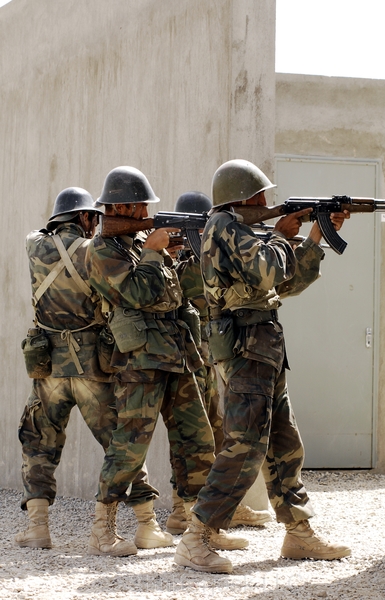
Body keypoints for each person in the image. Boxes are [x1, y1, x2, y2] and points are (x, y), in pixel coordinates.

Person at [174, 159, 352, 573]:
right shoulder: (224, 227)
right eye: (261, 197)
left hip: (264, 347)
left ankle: (298, 532)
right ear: (244, 197)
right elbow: (267, 269)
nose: (266, 203)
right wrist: (280, 234)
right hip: (246, 348)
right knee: (245, 446)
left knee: (284, 442)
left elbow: (286, 283)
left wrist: (313, 237)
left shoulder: (241, 232)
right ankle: (196, 536)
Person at [84, 166, 246, 557]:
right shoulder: (102, 250)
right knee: (130, 445)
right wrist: (153, 252)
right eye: (140, 205)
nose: (145, 212)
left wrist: (168, 254)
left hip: (176, 354)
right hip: (139, 360)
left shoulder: (138, 243)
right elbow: (137, 293)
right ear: (121, 206)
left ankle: (199, 526)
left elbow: (172, 296)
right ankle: (102, 530)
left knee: (199, 441)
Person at [16, 187, 168, 554]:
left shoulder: (34, 244)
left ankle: (37, 528)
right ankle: (147, 524)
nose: (97, 224)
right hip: (92, 367)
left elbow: (42, 233)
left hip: (48, 368)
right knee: (122, 443)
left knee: (38, 443)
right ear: (85, 217)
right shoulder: (96, 249)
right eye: (93, 218)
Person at [166, 191, 272, 535]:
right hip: (186, 358)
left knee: (213, 431)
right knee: (191, 436)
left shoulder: (197, 259)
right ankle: (183, 510)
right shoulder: (182, 263)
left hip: (206, 355)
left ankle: (211, 507)